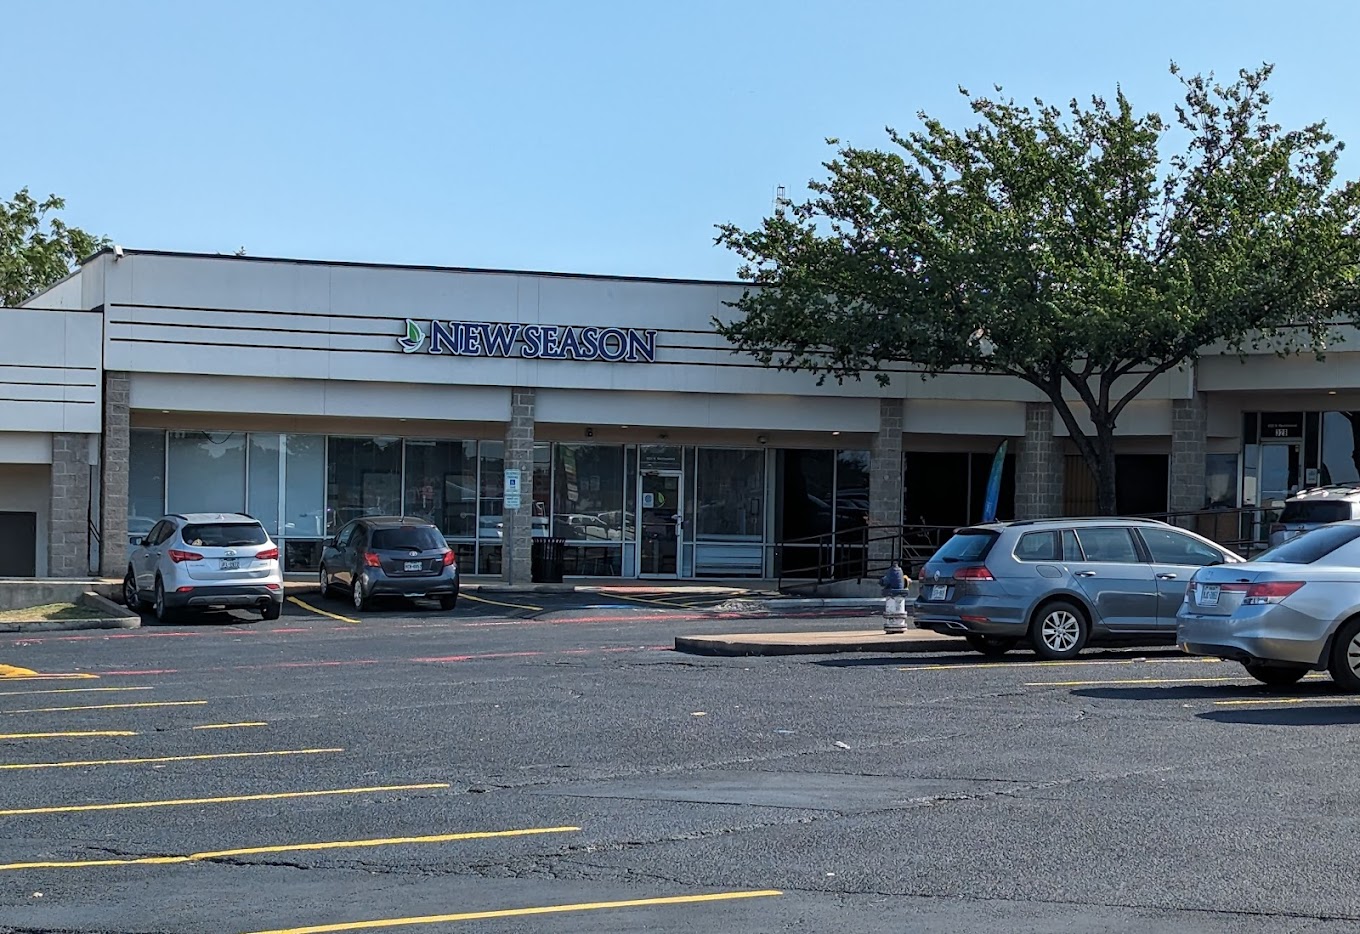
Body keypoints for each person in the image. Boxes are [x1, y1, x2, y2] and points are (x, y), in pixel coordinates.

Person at [881, 560, 909, 632]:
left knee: (891, 608)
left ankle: (892, 625)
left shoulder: (891, 572)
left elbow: (885, 581)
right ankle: (899, 625)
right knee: (898, 608)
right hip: (900, 593)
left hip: (892, 593)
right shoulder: (900, 571)